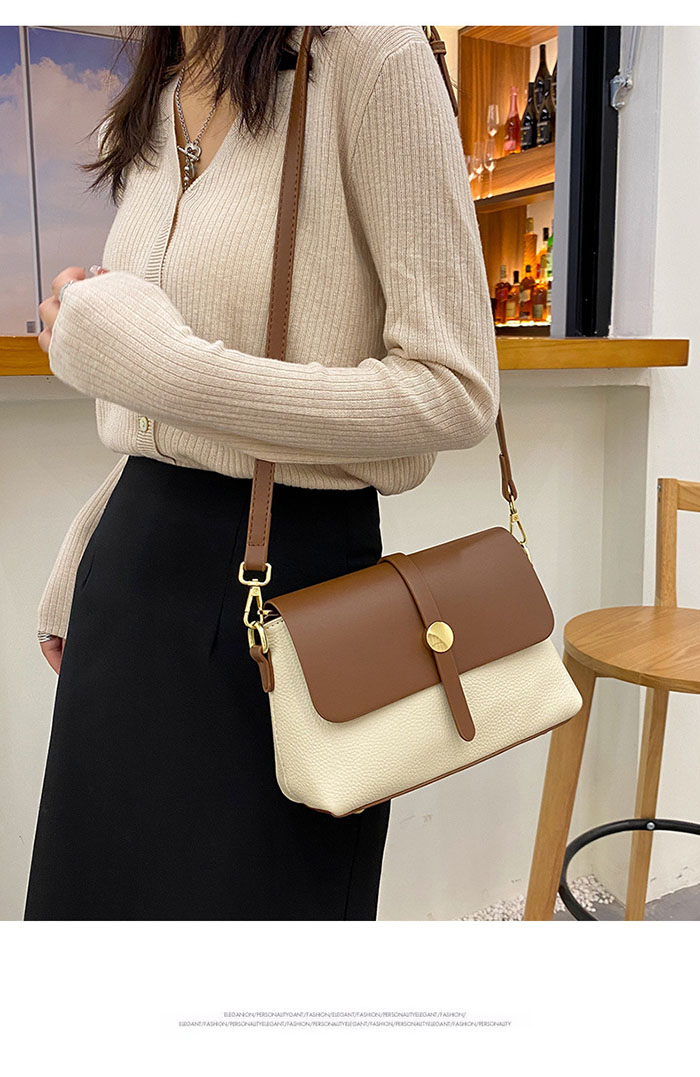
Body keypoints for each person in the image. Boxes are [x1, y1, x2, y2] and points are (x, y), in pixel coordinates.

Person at [24, 25, 499, 921]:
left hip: (291, 603)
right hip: (129, 581)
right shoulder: (161, 92)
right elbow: (166, 418)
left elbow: (455, 391)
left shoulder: (371, 57)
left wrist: (166, 368)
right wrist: (83, 551)